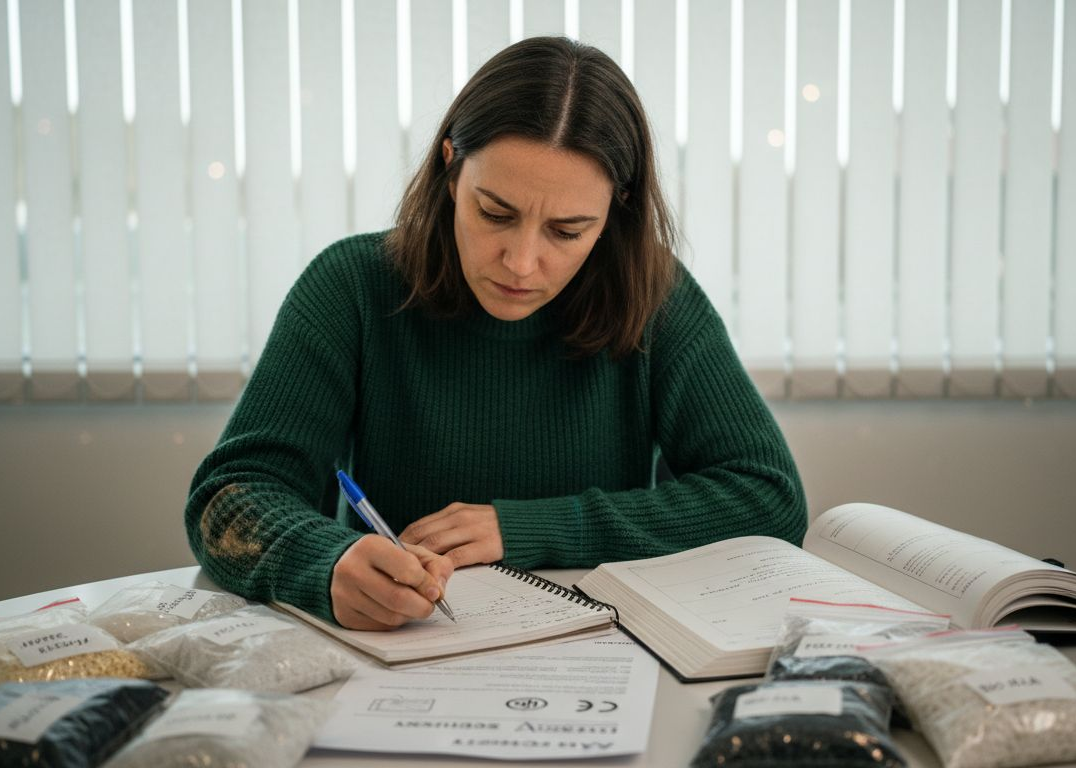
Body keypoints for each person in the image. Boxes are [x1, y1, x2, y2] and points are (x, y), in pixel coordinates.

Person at [185, 36, 806, 631]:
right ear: (451, 168)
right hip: (396, 652)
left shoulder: (654, 295)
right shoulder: (352, 287)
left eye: (567, 231)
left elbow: (769, 497)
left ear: (615, 208)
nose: (521, 263)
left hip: (601, 658)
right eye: (494, 213)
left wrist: (529, 528)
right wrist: (327, 562)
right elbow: (229, 498)